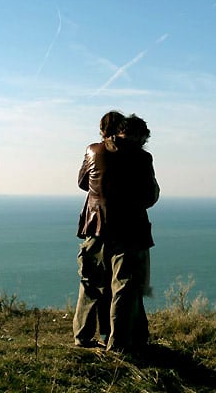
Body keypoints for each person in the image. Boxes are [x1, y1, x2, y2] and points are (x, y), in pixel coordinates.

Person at [72, 111, 160, 352]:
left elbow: (82, 182)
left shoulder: (93, 151)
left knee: (90, 282)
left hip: (95, 226)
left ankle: (82, 337)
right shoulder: (142, 158)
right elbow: (150, 196)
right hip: (130, 231)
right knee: (124, 285)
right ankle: (118, 343)